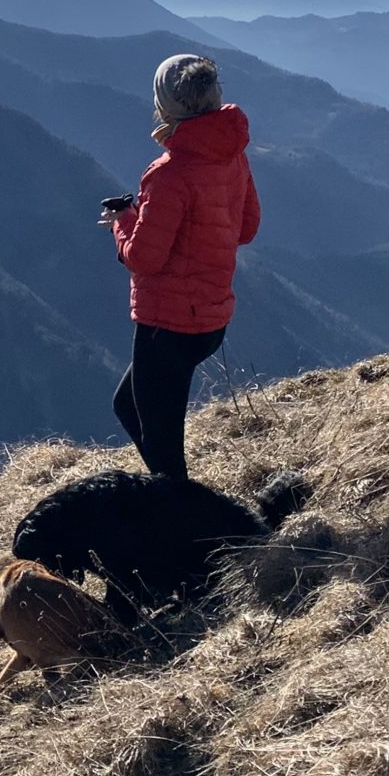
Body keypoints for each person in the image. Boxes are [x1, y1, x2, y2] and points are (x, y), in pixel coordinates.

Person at [99, 54, 259, 482]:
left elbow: (144, 259)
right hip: (210, 318)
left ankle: (196, 527)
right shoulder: (232, 154)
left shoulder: (169, 174)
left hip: (167, 325)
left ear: (166, 105)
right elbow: (247, 228)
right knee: (129, 406)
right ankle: (184, 508)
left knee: (163, 450)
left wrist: (123, 223)